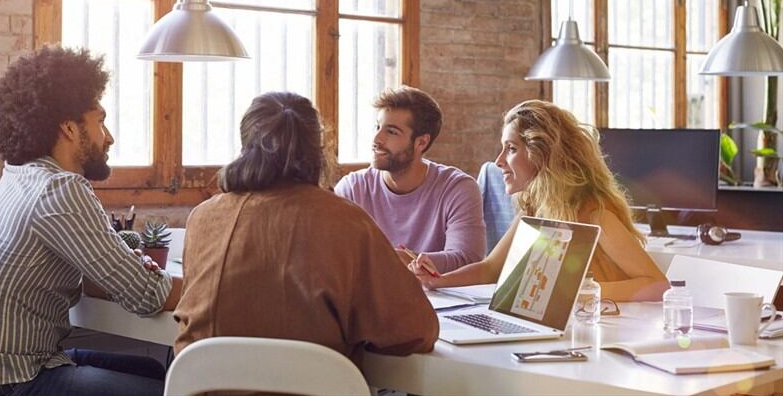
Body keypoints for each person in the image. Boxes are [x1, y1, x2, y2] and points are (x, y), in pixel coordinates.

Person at [0, 47, 177, 396]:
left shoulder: (21, 176)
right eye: (99, 121)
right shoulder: (59, 189)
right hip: (11, 383)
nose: (108, 136)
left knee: (153, 370)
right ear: (69, 127)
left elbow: (108, 276)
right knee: (166, 388)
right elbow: (148, 295)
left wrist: (128, 267)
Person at [173, 92, 438, 365]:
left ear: (244, 145)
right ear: (317, 148)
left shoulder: (202, 218)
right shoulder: (346, 222)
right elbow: (417, 331)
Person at [411, 100, 669, 302]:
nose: (499, 161)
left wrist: (576, 293)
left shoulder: (595, 214)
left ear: (541, 155)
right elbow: (490, 269)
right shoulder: (533, 210)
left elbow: (657, 285)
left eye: (511, 149)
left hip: (607, 330)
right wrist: (438, 280)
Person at [334, 86, 486, 274]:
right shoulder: (352, 189)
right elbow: (337, 259)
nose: (376, 139)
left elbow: (467, 259)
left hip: (437, 300)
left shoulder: (457, 189)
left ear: (421, 142)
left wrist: (407, 259)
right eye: (377, 127)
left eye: (391, 132)